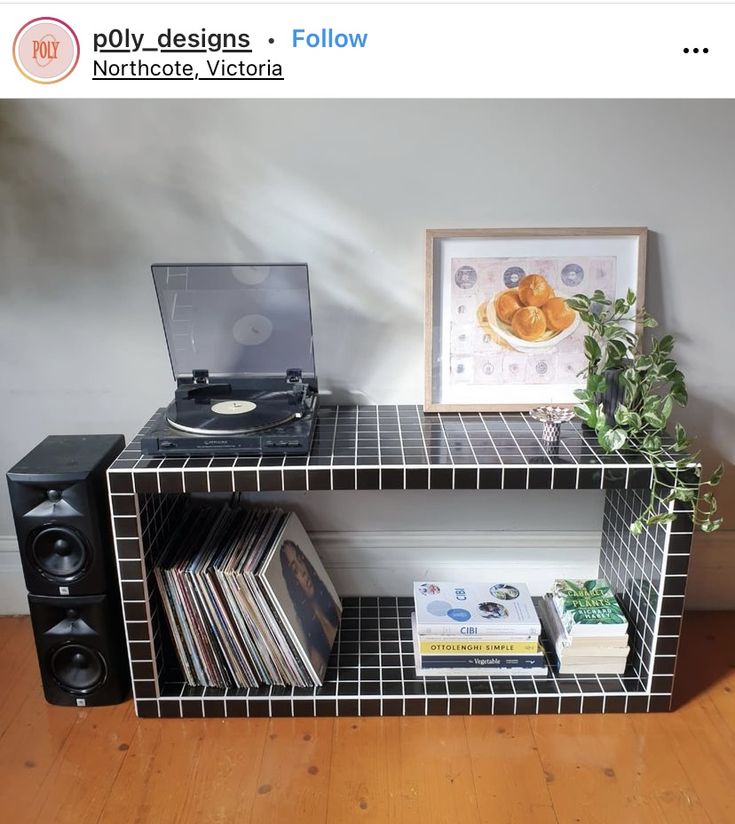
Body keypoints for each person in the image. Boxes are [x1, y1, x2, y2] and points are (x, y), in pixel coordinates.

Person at [280, 539, 340, 675]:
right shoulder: (310, 637)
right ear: (292, 582)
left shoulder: (329, 603)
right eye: (295, 570)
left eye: (301, 561)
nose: (302, 572)